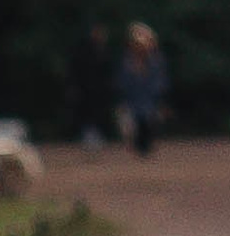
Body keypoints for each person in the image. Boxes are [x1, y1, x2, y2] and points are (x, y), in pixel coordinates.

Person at [113, 20, 168, 153]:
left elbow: (161, 86)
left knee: (149, 131)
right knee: (128, 127)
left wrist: (160, 104)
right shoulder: (126, 63)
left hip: (149, 106)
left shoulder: (156, 63)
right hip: (131, 106)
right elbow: (121, 86)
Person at [67, 20, 117, 149]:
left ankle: (100, 137)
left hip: (102, 91)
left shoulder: (106, 50)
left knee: (101, 115)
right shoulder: (82, 50)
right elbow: (75, 71)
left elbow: (109, 71)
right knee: (87, 115)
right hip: (86, 91)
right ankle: (88, 137)